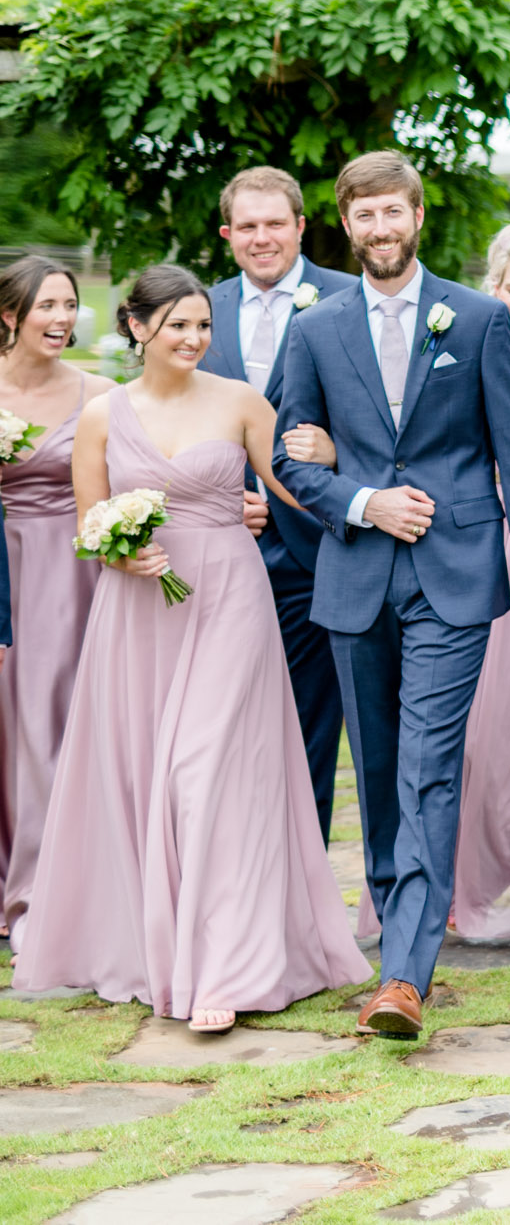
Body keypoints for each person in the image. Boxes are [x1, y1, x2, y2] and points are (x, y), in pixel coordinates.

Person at [14, 265, 369, 1031]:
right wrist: (118, 551)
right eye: (177, 324)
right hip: (140, 612)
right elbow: (87, 524)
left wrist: (339, 461)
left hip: (231, 602)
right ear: (137, 327)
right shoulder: (105, 415)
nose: (194, 338)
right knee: (152, 777)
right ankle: (163, 948)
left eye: (203, 325)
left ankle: (227, 969)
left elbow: (294, 485)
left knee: (204, 772)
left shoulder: (241, 402)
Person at [283, 220, 510, 963]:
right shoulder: (446, 335)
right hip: (449, 548)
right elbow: (409, 441)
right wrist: (341, 460)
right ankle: (444, 897)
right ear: (494, 287)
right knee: (472, 747)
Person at [272, 151, 510, 1037]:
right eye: (365, 218)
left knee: (432, 763)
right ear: (346, 225)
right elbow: (289, 454)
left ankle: (403, 976)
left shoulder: (475, 319)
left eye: (394, 213)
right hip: (356, 575)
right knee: (381, 772)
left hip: (455, 574)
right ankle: (400, 930)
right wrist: (362, 500)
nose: (381, 230)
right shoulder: (314, 330)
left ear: (418, 217)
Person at [198, 167, 355, 842]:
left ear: (299, 226)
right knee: (221, 725)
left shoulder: (351, 301)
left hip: (321, 548)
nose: (262, 238)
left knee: (312, 731)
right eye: (248, 227)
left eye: (275, 224)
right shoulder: (198, 310)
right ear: (229, 234)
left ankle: (303, 883)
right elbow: (166, 423)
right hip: (219, 554)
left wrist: (338, 454)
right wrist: (216, 496)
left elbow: (393, 427)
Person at [0, 257, 113, 938]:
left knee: (55, 723)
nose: (63, 319)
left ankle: (45, 899)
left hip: (74, 574)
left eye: (69, 305)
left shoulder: (98, 392)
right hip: (4, 567)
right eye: (48, 306)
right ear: (10, 315)